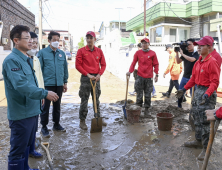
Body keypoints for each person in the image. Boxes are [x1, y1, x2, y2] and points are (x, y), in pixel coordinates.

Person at [3, 25, 59, 170]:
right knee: (18, 150)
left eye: (31, 38)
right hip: (21, 113)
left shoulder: (26, 59)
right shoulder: (11, 61)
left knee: (27, 146)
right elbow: (22, 85)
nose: (31, 42)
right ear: (16, 40)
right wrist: (44, 93)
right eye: (27, 38)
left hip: (33, 111)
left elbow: (33, 82)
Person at [175, 36, 220, 161]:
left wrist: (207, 94)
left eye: (201, 45)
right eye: (197, 45)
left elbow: (215, 82)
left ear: (209, 47)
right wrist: (183, 89)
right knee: (197, 118)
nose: (198, 47)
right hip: (198, 91)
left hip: (207, 94)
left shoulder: (212, 62)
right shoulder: (198, 62)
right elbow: (193, 79)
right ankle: (198, 141)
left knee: (205, 122)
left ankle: (206, 149)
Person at [38, 31, 69, 137]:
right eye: (54, 40)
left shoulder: (61, 53)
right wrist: (41, 86)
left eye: (57, 40)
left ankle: (56, 124)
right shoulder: (42, 53)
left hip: (59, 84)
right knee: (45, 107)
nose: (56, 42)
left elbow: (65, 69)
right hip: (47, 85)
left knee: (57, 105)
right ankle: (44, 127)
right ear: (49, 40)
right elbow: (39, 70)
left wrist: (65, 82)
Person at [76, 31, 106, 130]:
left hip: (96, 78)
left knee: (96, 99)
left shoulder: (99, 51)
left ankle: (98, 118)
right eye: (87, 38)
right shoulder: (81, 51)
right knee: (84, 99)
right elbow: (78, 65)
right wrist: (87, 75)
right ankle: (82, 121)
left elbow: (103, 65)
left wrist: (99, 75)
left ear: (95, 39)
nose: (89, 40)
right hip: (86, 78)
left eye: (91, 38)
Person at [126, 38, 159, 117]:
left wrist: (156, 74)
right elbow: (133, 63)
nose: (143, 44)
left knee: (148, 94)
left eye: (145, 43)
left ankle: (147, 110)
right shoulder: (138, 53)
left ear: (149, 44)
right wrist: (130, 71)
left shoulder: (152, 53)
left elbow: (156, 64)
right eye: (142, 43)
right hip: (140, 76)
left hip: (149, 77)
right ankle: (139, 109)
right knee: (139, 94)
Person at [26, 32, 44, 159]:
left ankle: (31, 149)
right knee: (26, 128)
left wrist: (42, 93)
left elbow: (40, 78)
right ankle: (26, 151)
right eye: (32, 43)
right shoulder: (23, 60)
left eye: (36, 43)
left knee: (34, 125)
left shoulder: (36, 59)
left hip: (38, 96)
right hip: (29, 97)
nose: (34, 46)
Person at [175, 39, 199, 108]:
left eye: (189, 44)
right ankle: (179, 106)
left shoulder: (196, 53)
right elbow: (178, 61)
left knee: (193, 95)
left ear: (193, 44)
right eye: (187, 44)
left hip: (194, 78)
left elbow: (192, 59)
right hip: (185, 76)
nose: (188, 46)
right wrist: (177, 53)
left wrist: (182, 54)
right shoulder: (185, 52)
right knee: (180, 92)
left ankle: (194, 108)